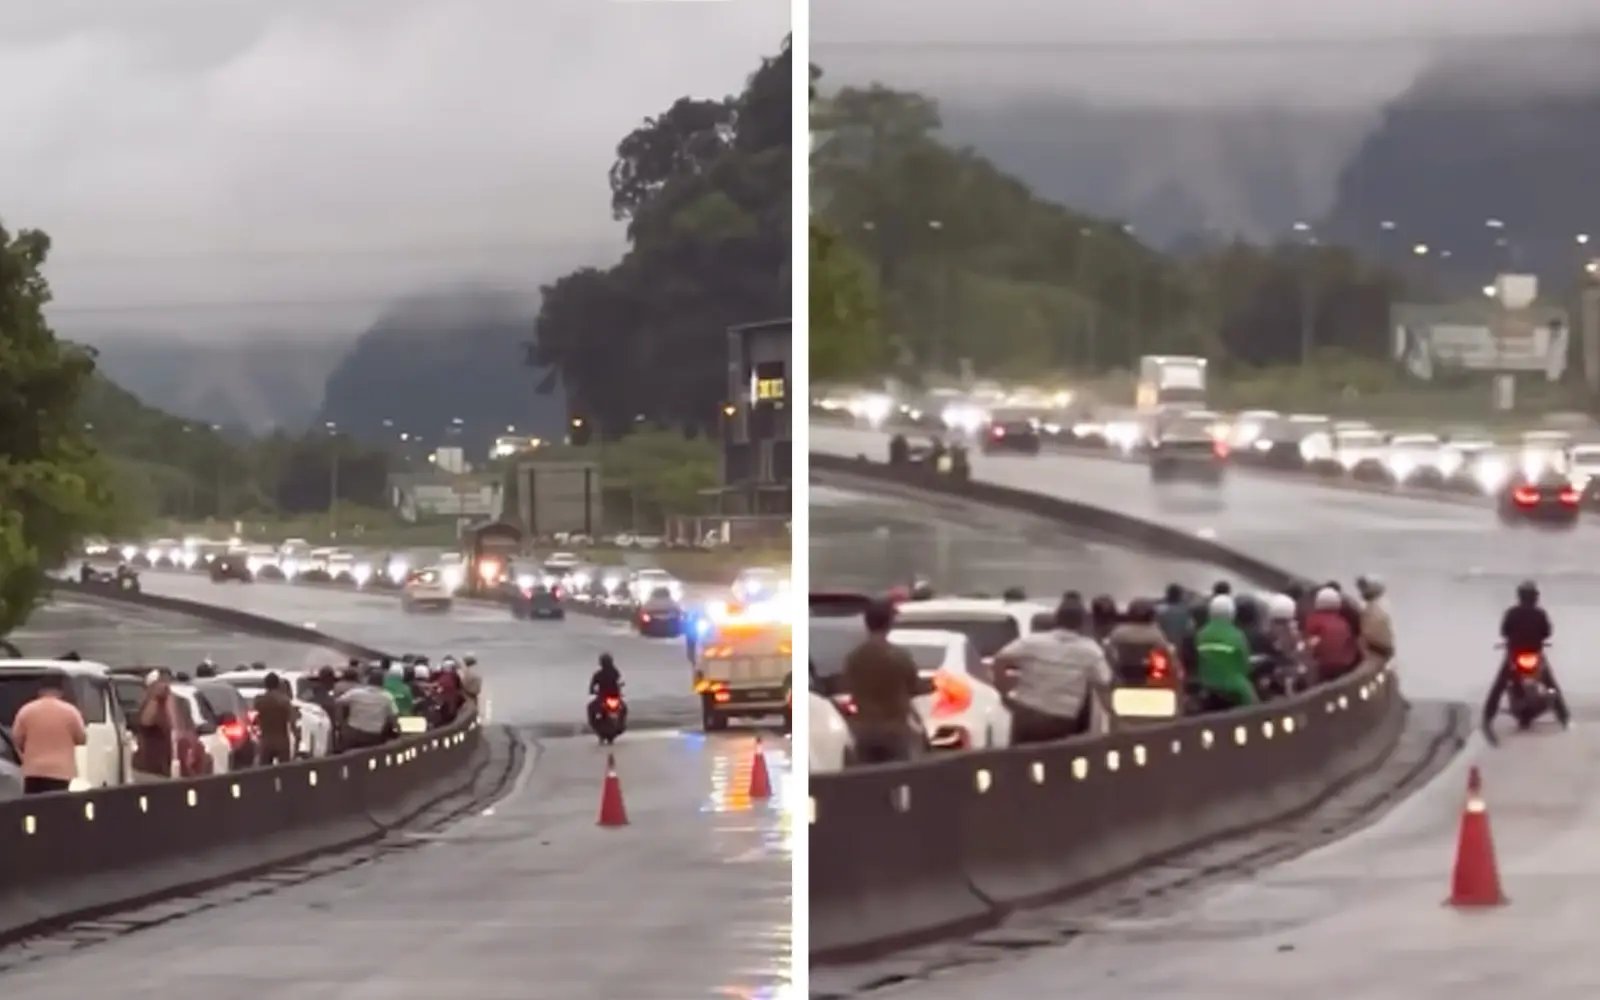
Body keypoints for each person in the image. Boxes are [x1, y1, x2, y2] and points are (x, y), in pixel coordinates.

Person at [993, 596, 1113, 742]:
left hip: (1026, 714)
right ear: (1082, 622)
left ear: (1056, 618)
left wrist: (1002, 690)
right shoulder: (1090, 650)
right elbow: (1104, 683)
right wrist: (1114, 715)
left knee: (1020, 759)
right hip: (1061, 719)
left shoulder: (1033, 642)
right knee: (1055, 761)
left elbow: (1000, 659)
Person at [1483, 579, 1569, 745]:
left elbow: (1504, 631)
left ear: (1520, 596)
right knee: (1551, 684)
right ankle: (1564, 716)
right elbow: (1547, 632)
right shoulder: (1540, 613)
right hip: (1535, 655)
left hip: (1515, 656)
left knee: (1499, 685)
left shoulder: (1512, 613)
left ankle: (1488, 716)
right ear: (1534, 597)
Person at [841, 599, 923, 763]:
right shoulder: (899, 656)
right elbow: (914, 687)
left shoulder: (853, 658)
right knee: (900, 777)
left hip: (864, 731)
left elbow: (848, 687)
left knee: (867, 780)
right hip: (895, 731)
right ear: (889, 624)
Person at [11, 678, 87, 794]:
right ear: (61, 692)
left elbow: (16, 738)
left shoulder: (26, 710)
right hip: (61, 771)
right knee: (56, 805)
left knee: (34, 806)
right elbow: (82, 738)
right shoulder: (71, 711)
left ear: (40, 691)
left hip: (33, 771)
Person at [1194, 595, 1257, 709]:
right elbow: (1245, 665)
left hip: (1207, 685)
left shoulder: (1201, 634)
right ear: (1232, 613)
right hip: (1234, 687)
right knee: (1255, 707)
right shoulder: (1237, 635)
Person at [1105, 599, 1177, 682]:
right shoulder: (1156, 634)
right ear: (1151, 616)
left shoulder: (1119, 632)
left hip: (1123, 672)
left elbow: (1109, 650)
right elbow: (1165, 651)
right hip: (1150, 674)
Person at [1304, 587, 1359, 681]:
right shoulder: (1343, 622)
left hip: (1323, 665)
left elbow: (1308, 644)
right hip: (1344, 665)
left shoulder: (1313, 620)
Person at [336, 670, 399, 751]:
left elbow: (338, 702)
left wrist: (341, 722)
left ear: (368, 681)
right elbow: (394, 716)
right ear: (382, 682)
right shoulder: (387, 697)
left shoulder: (355, 693)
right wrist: (398, 731)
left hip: (352, 732)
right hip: (373, 735)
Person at [132, 671, 176, 781]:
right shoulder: (150, 703)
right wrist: (155, 697)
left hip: (162, 769)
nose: (165, 686)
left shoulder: (167, 704)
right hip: (148, 770)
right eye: (161, 683)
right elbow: (146, 721)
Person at [252, 673, 299, 765]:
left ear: (265, 684)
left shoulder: (259, 701)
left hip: (265, 740)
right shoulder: (284, 701)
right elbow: (292, 720)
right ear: (278, 685)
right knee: (284, 770)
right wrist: (297, 736)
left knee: (264, 771)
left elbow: (254, 720)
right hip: (282, 740)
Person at [1356, 575, 1395, 665]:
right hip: (1375, 651)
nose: (1361, 591)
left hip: (1377, 653)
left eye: (1364, 588)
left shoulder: (1378, 608)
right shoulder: (1371, 606)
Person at [587, 653, 627, 730]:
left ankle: (592, 724)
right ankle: (621, 724)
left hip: (604, 697)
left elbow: (592, 687)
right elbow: (620, 682)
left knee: (590, 708)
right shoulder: (615, 672)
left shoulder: (598, 674)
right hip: (611, 697)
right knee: (624, 708)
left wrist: (592, 691)